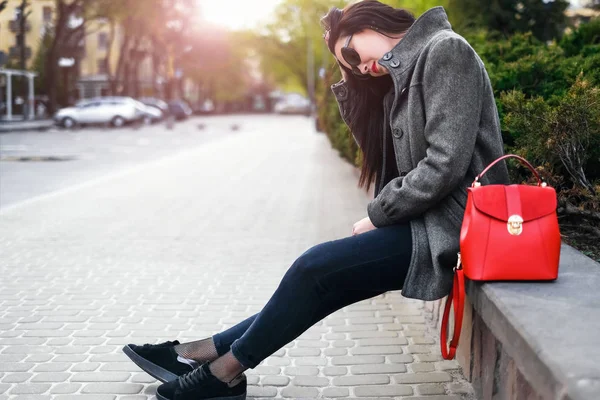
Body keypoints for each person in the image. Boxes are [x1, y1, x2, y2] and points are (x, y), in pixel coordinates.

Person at [122, 1, 509, 399]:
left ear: (372, 22)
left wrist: (379, 216)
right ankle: (199, 354)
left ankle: (223, 372)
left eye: (355, 54)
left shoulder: (445, 50)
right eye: (352, 65)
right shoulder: (405, 73)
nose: (361, 67)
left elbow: (444, 164)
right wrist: (350, 72)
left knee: (313, 268)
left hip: (459, 224)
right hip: (432, 219)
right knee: (321, 282)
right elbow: (383, 162)